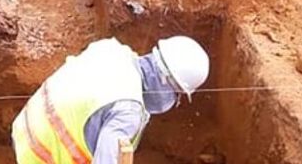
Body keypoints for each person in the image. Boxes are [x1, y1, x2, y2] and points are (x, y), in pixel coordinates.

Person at [11, 35, 210, 163]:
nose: (174, 100)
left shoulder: (112, 50)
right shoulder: (128, 111)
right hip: (41, 156)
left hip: (27, 126)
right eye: (177, 94)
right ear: (166, 81)